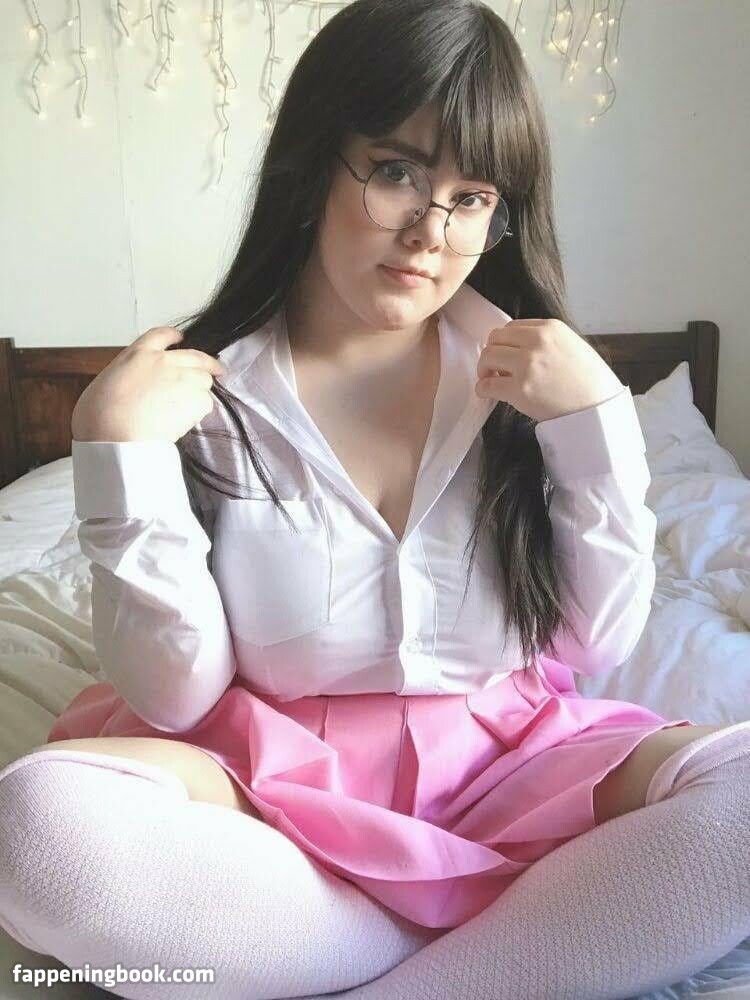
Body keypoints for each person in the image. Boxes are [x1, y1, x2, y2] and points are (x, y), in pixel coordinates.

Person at [1, 1, 748, 998]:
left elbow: (591, 644)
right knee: (39, 827)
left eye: (471, 197)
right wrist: (118, 457)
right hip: (268, 794)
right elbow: (175, 696)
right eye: (396, 172)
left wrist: (596, 427)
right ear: (313, 165)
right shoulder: (199, 396)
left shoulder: (536, 385)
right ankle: (487, 948)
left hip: (510, 773)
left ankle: (398, 975)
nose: (431, 233)